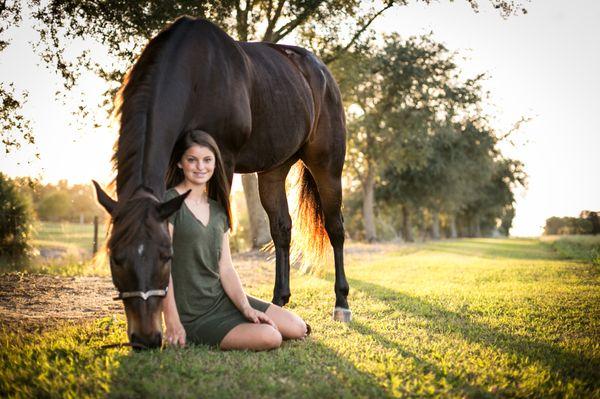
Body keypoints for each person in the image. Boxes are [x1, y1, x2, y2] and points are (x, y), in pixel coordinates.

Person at [162, 130, 309, 350]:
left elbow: (226, 269)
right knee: (271, 337)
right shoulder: (169, 202)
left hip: (222, 299)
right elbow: (161, 267)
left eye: (207, 160)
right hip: (193, 313)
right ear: (180, 163)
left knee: (298, 328)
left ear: (215, 163)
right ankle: (197, 331)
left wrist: (245, 308)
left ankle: (243, 320)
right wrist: (172, 322)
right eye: (192, 160)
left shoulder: (218, 210)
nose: (200, 166)